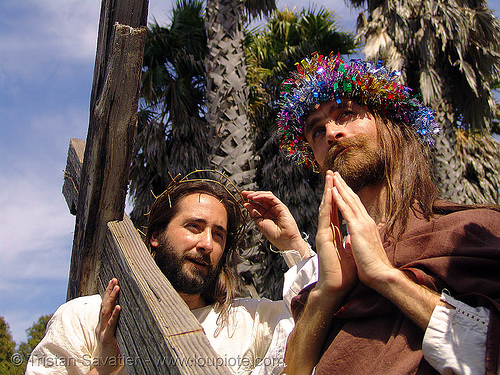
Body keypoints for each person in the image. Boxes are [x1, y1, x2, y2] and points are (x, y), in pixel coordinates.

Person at [276, 53, 500, 374]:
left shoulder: (476, 231)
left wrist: (386, 277)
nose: (331, 133)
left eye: (347, 113)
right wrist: (328, 293)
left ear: (392, 125)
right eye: (317, 131)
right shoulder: (316, 277)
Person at [25, 178, 317, 375]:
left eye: (219, 234)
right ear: (156, 236)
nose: (207, 244)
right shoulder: (85, 318)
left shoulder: (249, 322)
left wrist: (293, 245)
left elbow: (315, 317)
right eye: (194, 226)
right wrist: (104, 367)